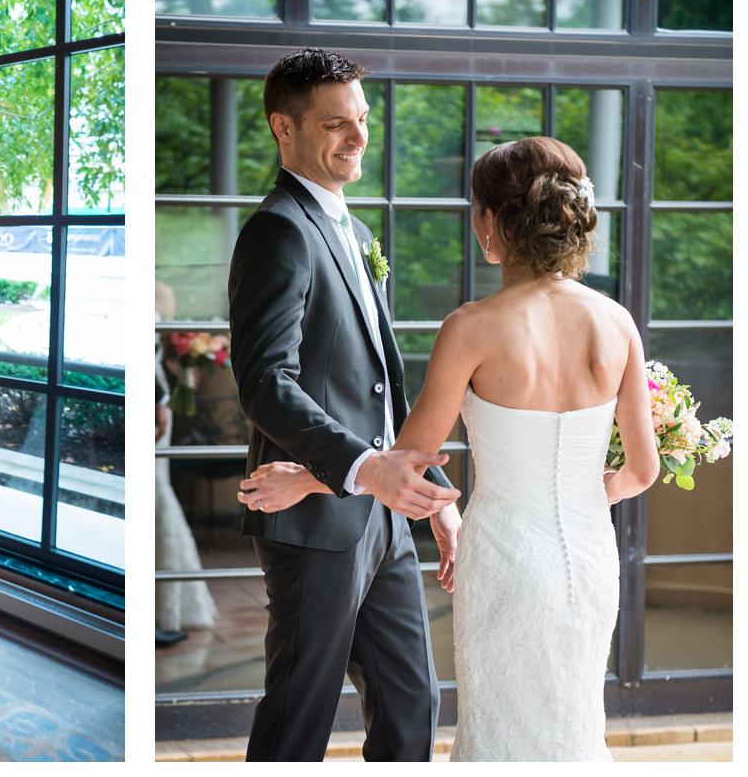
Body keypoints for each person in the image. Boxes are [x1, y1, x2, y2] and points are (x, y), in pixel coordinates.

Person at [242, 136, 655, 761]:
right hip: (591, 555)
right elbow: (643, 470)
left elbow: (410, 464)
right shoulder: (617, 321)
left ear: (491, 222)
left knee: (502, 724)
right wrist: (579, 495)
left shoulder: (473, 326)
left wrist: (308, 477)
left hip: (510, 557)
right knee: (573, 721)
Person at [222, 49, 448, 761]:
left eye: (362, 120)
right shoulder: (278, 230)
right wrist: (364, 467)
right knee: (301, 713)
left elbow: (378, 387)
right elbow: (266, 383)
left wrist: (434, 498)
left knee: (413, 703)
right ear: (283, 129)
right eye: (335, 124)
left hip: (381, 520)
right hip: (316, 523)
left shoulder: (352, 231)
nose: (357, 138)